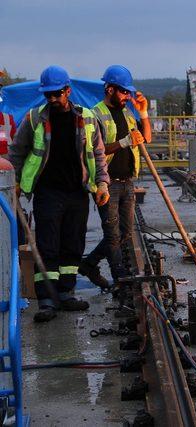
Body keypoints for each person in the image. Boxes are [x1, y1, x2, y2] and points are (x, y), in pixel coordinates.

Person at [9, 65, 110, 322]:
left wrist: (103, 185)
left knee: (73, 245)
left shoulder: (86, 118)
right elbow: (17, 154)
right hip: (47, 192)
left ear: (67, 90)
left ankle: (66, 293)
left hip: (77, 192)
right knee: (47, 245)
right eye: (48, 95)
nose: (52, 99)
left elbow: (98, 156)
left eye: (56, 94)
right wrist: (15, 183)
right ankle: (46, 300)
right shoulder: (34, 119)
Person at [79, 65, 151, 287]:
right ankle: (119, 276)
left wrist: (144, 113)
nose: (127, 96)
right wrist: (124, 142)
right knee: (112, 233)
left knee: (125, 232)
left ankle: (89, 263)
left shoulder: (128, 112)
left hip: (127, 180)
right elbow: (94, 149)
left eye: (128, 92)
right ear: (109, 89)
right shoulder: (96, 114)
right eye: (123, 92)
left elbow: (146, 138)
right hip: (106, 183)